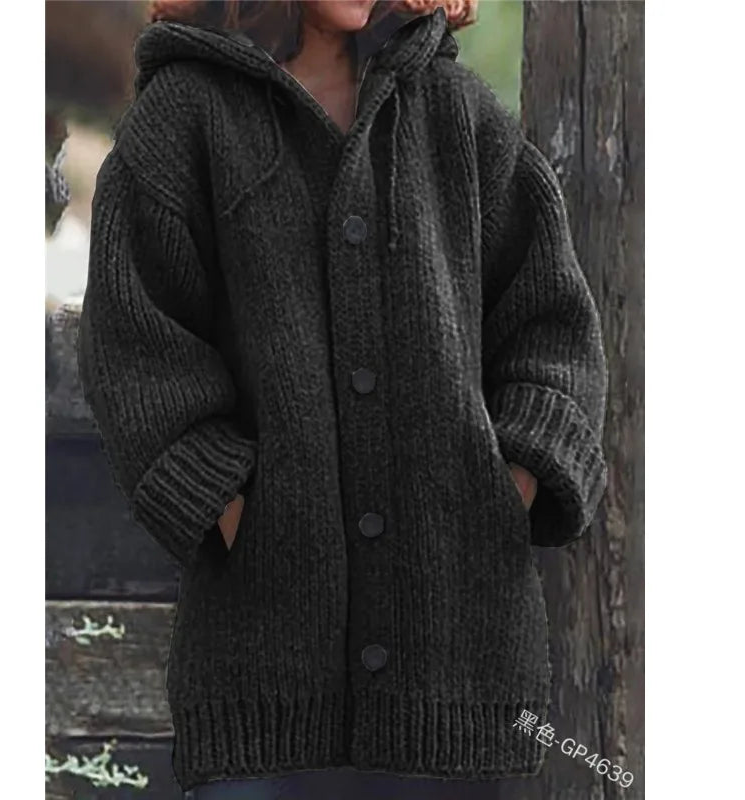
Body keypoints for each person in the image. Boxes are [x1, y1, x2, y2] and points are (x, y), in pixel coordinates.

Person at [77, 1, 609, 798]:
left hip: (457, 672)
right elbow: (135, 343)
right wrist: (235, 509)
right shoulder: (184, 118)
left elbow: (551, 327)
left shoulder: (458, 116)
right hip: (262, 680)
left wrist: (509, 489)